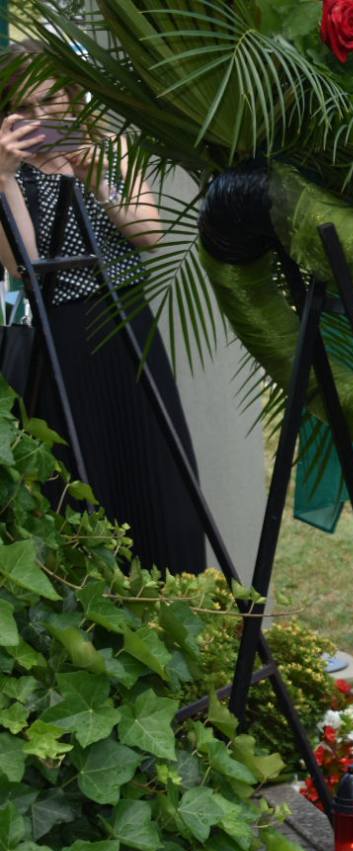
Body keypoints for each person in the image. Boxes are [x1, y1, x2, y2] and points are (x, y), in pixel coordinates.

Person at [0, 44, 205, 576]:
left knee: (159, 475)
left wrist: (94, 177)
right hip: (61, 340)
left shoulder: (111, 147)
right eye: (26, 109)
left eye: (51, 102)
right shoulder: (9, 172)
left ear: (72, 96)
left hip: (127, 326)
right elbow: (25, 266)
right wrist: (3, 178)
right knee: (83, 481)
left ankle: (177, 597)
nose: (42, 118)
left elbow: (149, 233)